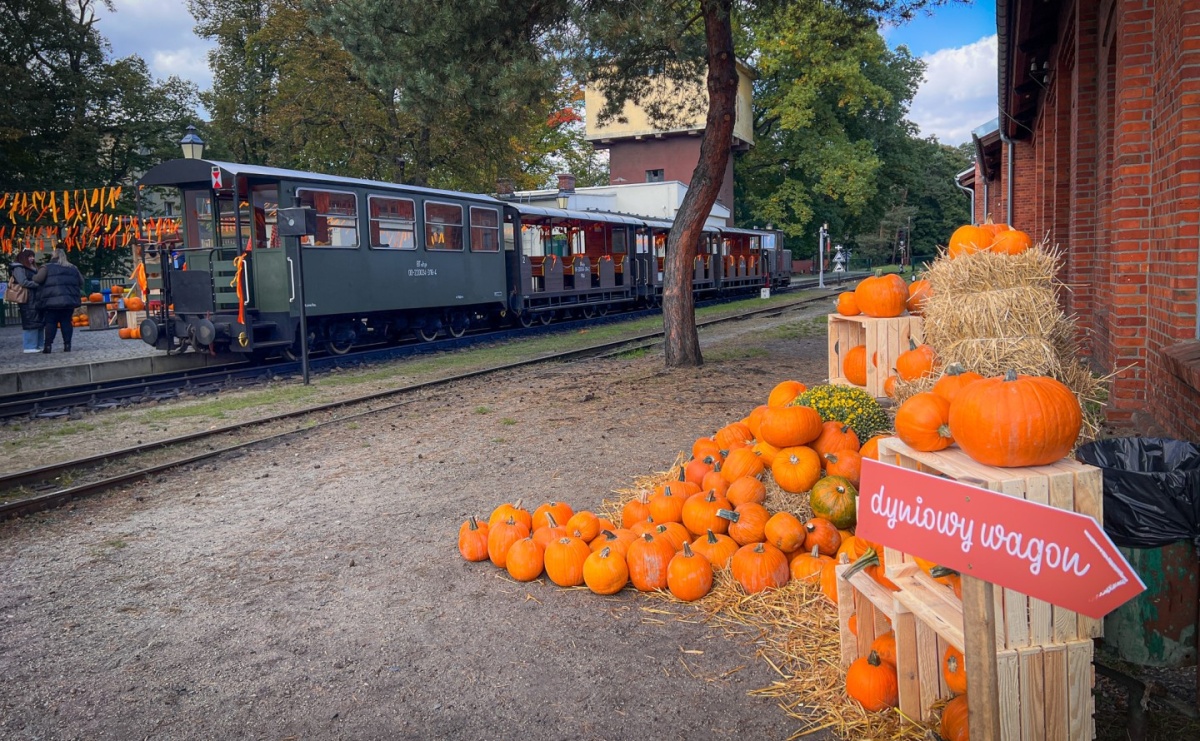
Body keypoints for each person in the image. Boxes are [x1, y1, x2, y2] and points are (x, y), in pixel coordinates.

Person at [35, 246, 84, 353]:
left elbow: (38, 279)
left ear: (53, 256)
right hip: (68, 301)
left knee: (50, 323)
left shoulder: (46, 267)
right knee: (66, 322)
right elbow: (81, 281)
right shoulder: (73, 268)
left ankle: (48, 346)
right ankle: (67, 345)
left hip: (50, 301)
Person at [8, 249, 44, 353]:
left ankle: (39, 344)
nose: (32, 258)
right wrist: (37, 285)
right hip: (27, 297)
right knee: (30, 321)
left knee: (38, 321)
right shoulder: (19, 268)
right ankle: (30, 345)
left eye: (33, 256)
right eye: (29, 256)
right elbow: (23, 282)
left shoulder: (32, 268)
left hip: (35, 297)